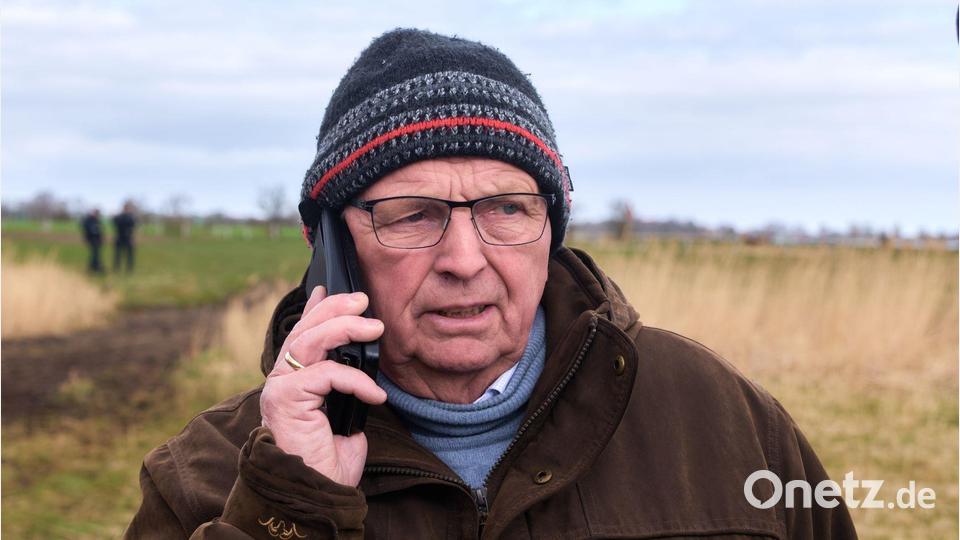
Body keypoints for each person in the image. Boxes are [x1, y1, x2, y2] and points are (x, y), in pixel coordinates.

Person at [125, 29, 857, 539]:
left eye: (507, 209)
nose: (465, 260)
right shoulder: (210, 475)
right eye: (412, 215)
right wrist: (292, 505)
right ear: (328, 246)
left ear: (552, 228)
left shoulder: (724, 421)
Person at [113, 201, 137, 273]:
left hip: (128, 238)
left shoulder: (131, 217)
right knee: (118, 255)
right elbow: (115, 223)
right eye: (126, 208)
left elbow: (133, 226)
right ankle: (117, 268)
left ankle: (129, 269)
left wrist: (132, 238)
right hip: (120, 237)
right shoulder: (119, 217)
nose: (127, 209)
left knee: (129, 255)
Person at [81, 208, 104, 273]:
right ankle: (93, 267)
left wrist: (101, 238)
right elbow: (87, 229)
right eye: (96, 213)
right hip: (92, 240)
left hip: (97, 240)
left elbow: (100, 230)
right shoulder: (89, 220)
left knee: (96, 254)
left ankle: (95, 267)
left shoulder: (97, 220)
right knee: (94, 254)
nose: (97, 215)